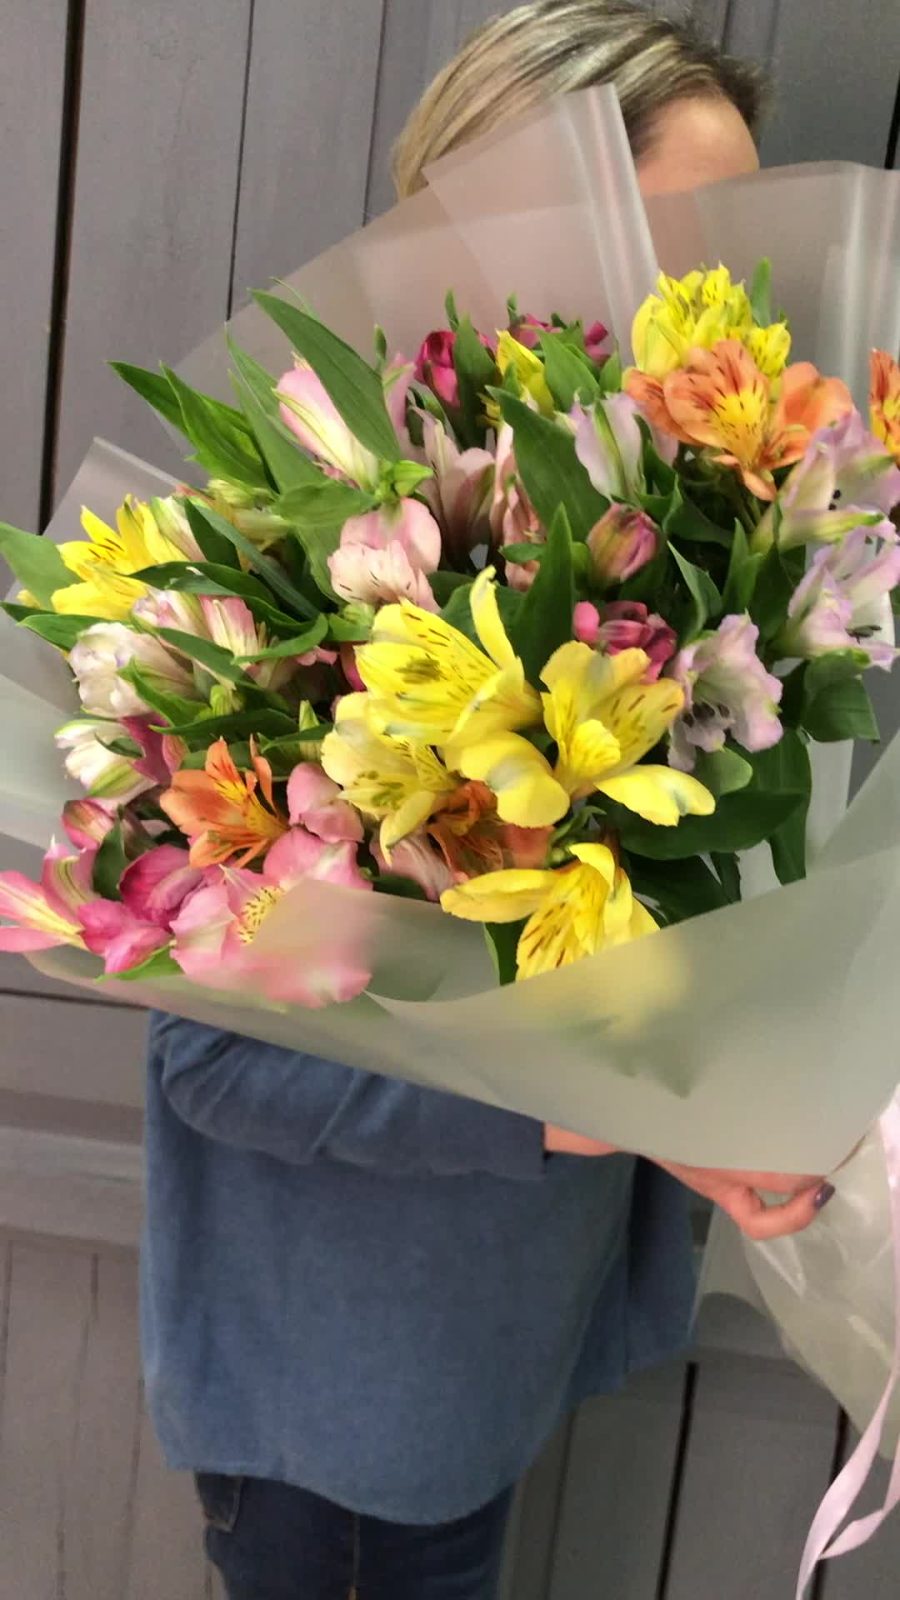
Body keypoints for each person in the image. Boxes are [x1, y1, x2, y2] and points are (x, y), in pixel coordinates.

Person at [145, 6, 832, 1597]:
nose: (719, 299)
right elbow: (213, 1057)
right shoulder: (302, 548)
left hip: (487, 1356)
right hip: (340, 1405)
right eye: (685, 236)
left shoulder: (687, 548)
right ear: (496, 202)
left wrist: (709, 1127)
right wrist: (584, 1115)